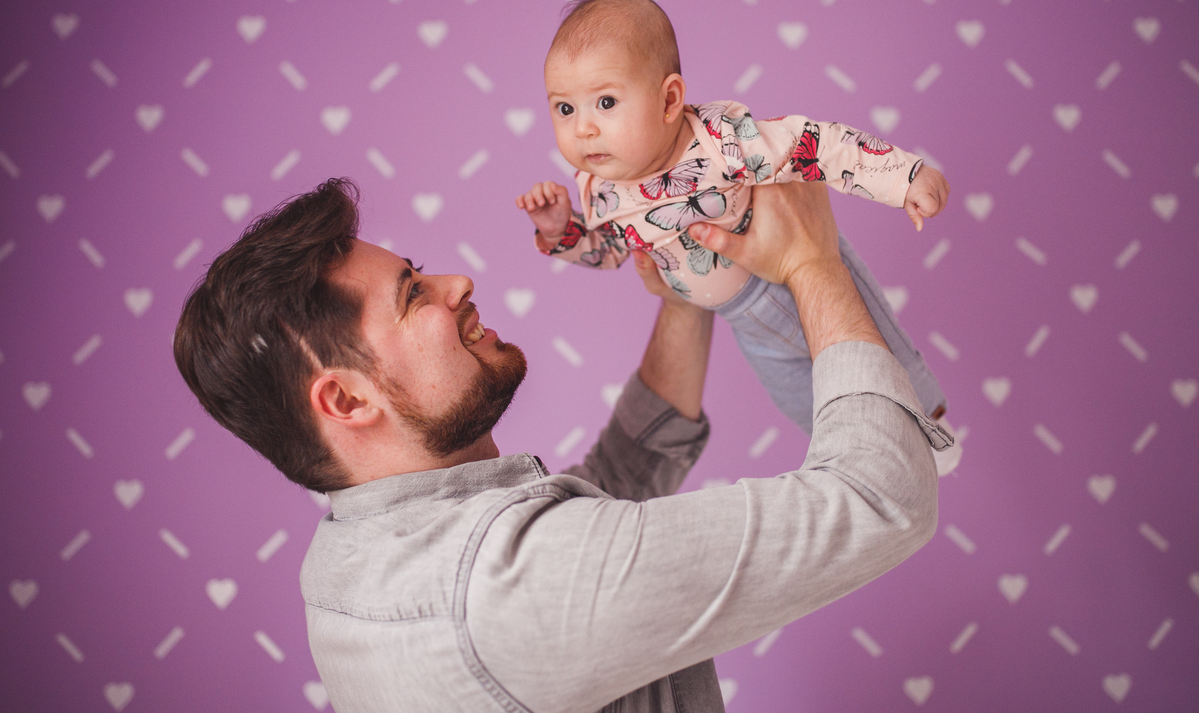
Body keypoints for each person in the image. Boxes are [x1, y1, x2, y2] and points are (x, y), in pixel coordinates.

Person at [174, 176, 949, 712]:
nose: (457, 282)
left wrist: (690, 287)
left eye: (418, 271)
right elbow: (881, 497)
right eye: (413, 296)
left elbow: (611, 491)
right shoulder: (506, 590)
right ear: (346, 398)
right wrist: (810, 258)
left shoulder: (360, 559)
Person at [517, 0, 949, 433]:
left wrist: (902, 177)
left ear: (668, 101)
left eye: (605, 102)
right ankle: (859, 460)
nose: (583, 129)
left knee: (881, 358)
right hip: (745, 323)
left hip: (788, 281)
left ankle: (933, 433)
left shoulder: (718, 141)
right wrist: (559, 231)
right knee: (808, 405)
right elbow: (610, 251)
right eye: (564, 108)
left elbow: (810, 144)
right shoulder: (598, 188)